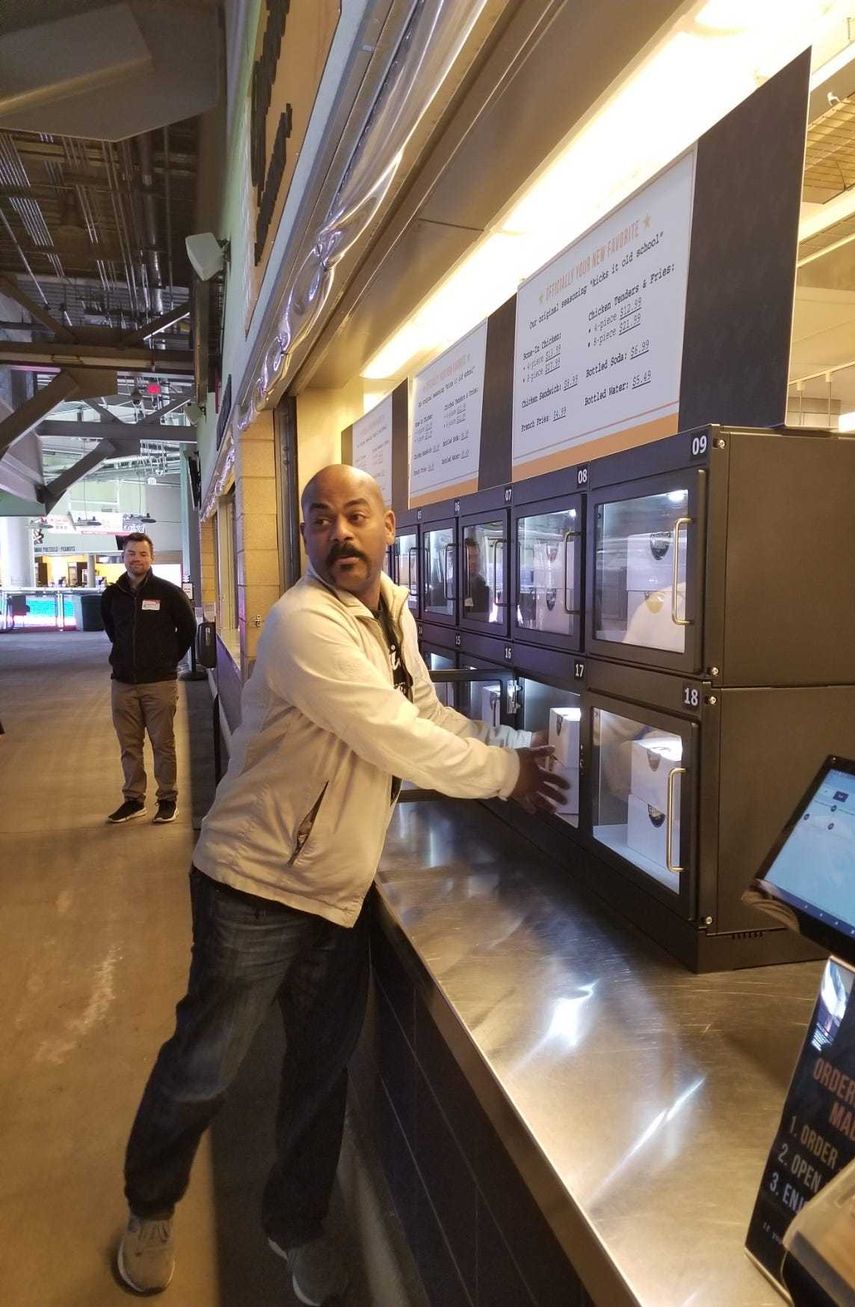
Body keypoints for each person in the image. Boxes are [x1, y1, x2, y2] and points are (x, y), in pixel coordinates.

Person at [116, 465, 566, 1303]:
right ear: (305, 536)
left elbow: (423, 709)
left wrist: (505, 740)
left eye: (355, 515)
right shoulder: (301, 625)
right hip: (251, 887)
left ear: (389, 524)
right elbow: (392, 735)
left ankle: (296, 1227)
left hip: (335, 895)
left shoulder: (389, 610)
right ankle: (150, 1203)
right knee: (205, 1065)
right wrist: (505, 773)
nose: (339, 533)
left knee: (319, 1081)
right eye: (319, 520)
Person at [101, 532, 196, 825]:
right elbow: (112, 632)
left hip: (159, 683)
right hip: (123, 683)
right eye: (131, 553)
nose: (136, 559)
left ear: (151, 558)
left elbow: (188, 629)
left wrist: (167, 660)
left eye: (142, 554)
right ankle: (133, 800)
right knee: (129, 746)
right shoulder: (112, 595)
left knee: (162, 743)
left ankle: (167, 799)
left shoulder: (168, 592)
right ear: (123, 557)